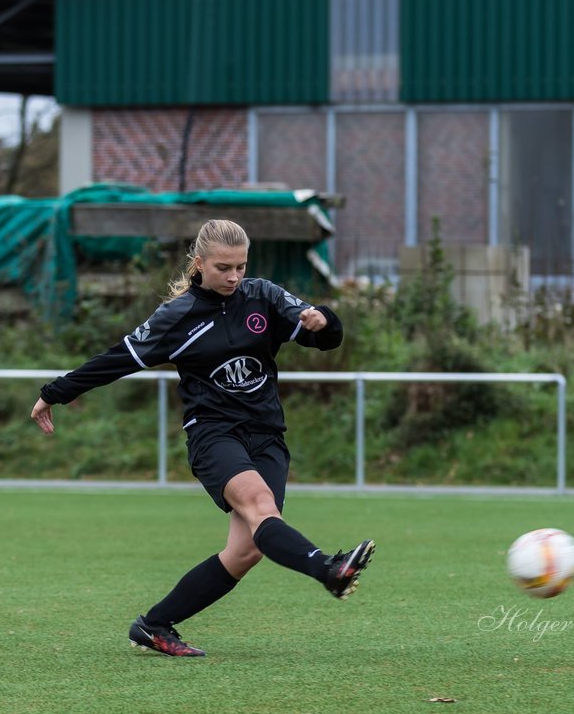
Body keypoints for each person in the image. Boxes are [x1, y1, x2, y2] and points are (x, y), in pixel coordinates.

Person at [31, 218, 375, 657]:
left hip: (267, 434)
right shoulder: (176, 317)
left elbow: (326, 339)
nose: (233, 277)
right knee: (260, 506)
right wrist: (54, 393)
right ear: (199, 265)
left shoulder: (263, 296)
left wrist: (323, 319)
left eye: (241, 267)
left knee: (246, 550)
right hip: (213, 434)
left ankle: (154, 625)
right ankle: (328, 568)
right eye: (223, 267)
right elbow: (117, 360)